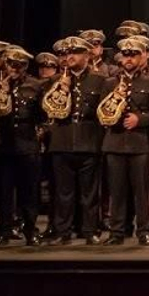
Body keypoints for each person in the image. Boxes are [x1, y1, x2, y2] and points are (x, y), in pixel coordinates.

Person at [43, 36, 105, 244]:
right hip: (62, 139)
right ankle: (63, 231)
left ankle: (89, 230)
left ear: (87, 55)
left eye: (75, 53)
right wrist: (63, 89)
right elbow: (47, 111)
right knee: (63, 191)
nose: (69, 57)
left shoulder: (99, 80)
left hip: (88, 140)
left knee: (89, 192)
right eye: (67, 53)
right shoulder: (53, 81)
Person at [100, 36, 149, 245]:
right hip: (115, 141)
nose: (129, 58)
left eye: (133, 54)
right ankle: (116, 232)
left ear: (143, 56)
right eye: (126, 54)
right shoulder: (109, 83)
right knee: (116, 191)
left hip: (140, 142)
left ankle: (143, 230)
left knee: (141, 190)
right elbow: (101, 111)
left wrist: (139, 119)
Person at [0, 47, 46, 246]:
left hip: (27, 144)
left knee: (29, 192)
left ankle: (31, 230)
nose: (14, 68)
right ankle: (3, 232)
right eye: (11, 64)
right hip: (4, 145)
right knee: (4, 192)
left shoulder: (35, 85)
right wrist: (2, 94)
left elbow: (43, 115)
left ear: (25, 66)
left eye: (19, 65)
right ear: (5, 64)